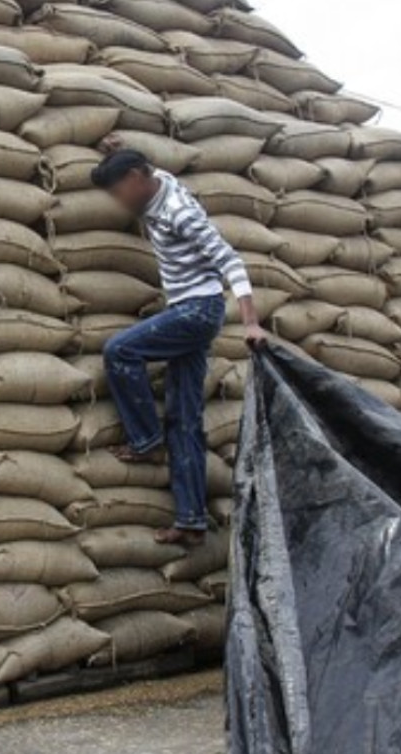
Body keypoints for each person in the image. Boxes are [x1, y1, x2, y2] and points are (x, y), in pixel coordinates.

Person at [91, 143, 267, 547]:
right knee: (185, 420)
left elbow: (231, 261)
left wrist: (251, 322)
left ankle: (147, 442)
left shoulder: (178, 212)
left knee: (120, 351)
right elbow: (144, 166)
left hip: (197, 311)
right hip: (189, 309)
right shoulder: (157, 182)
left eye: (117, 191)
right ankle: (191, 521)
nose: (118, 202)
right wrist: (115, 153)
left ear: (135, 178)